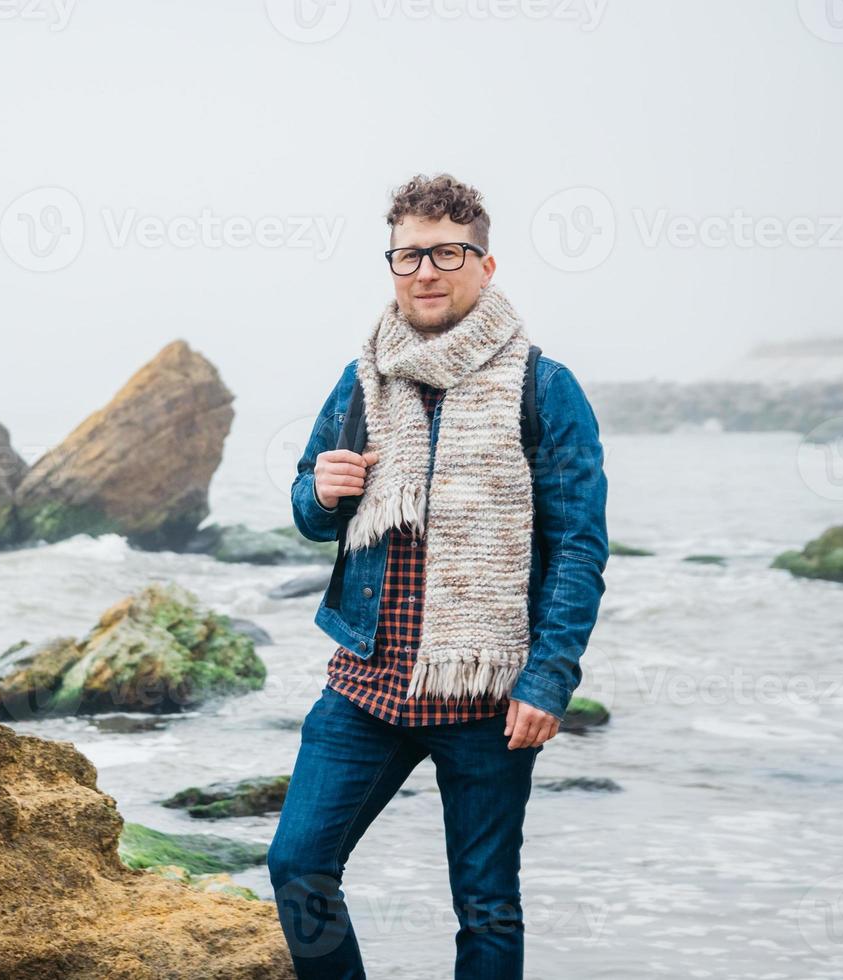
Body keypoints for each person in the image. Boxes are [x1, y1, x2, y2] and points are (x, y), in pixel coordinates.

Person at [267, 173, 609, 980]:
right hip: (366, 688)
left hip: (487, 698)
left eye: (446, 253)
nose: (425, 270)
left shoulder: (544, 388)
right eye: (409, 254)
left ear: (484, 266)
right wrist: (320, 491)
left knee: (485, 906)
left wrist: (549, 680)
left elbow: (578, 547)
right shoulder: (364, 379)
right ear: (392, 266)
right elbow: (311, 510)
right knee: (298, 865)